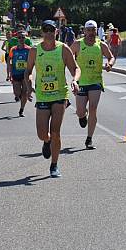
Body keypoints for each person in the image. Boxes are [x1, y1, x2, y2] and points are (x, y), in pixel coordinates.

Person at [24, 20, 80, 178]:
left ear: (56, 31)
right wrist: (29, 86)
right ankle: (46, 141)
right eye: (45, 29)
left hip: (59, 95)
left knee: (55, 132)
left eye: (51, 29)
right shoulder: (35, 50)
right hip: (42, 95)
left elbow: (75, 68)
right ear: (41, 32)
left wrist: (75, 80)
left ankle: (54, 165)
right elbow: (28, 71)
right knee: (42, 133)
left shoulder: (63, 49)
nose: (48, 32)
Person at [70, 20, 115, 150]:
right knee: (79, 111)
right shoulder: (78, 44)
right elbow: (67, 56)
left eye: (93, 30)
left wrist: (110, 64)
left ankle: (89, 139)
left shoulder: (101, 45)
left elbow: (111, 57)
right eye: (88, 30)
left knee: (93, 108)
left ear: (96, 31)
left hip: (95, 81)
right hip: (81, 82)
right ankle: (82, 116)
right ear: (84, 31)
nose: (91, 33)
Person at [9, 31, 32, 117]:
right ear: (17, 39)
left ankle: (21, 109)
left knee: (24, 93)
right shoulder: (13, 49)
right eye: (19, 37)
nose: (21, 39)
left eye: (23, 37)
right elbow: (10, 61)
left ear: (25, 38)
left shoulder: (29, 49)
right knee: (17, 93)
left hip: (25, 73)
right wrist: (9, 74)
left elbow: (32, 61)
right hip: (16, 73)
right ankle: (18, 96)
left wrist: (30, 72)